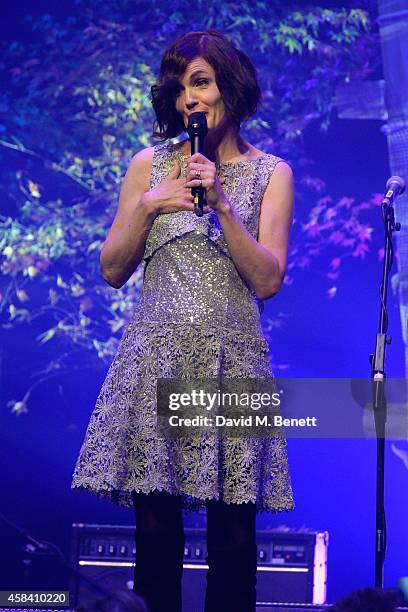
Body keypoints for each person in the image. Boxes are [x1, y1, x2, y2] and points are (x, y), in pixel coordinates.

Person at [72, 30, 295, 612]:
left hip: (232, 366)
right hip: (156, 362)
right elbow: (112, 269)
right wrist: (150, 204)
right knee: (156, 534)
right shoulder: (149, 165)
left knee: (234, 538)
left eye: (201, 82)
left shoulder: (272, 172)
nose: (189, 100)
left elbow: (269, 280)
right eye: (178, 89)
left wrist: (221, 204)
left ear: (231, 87)